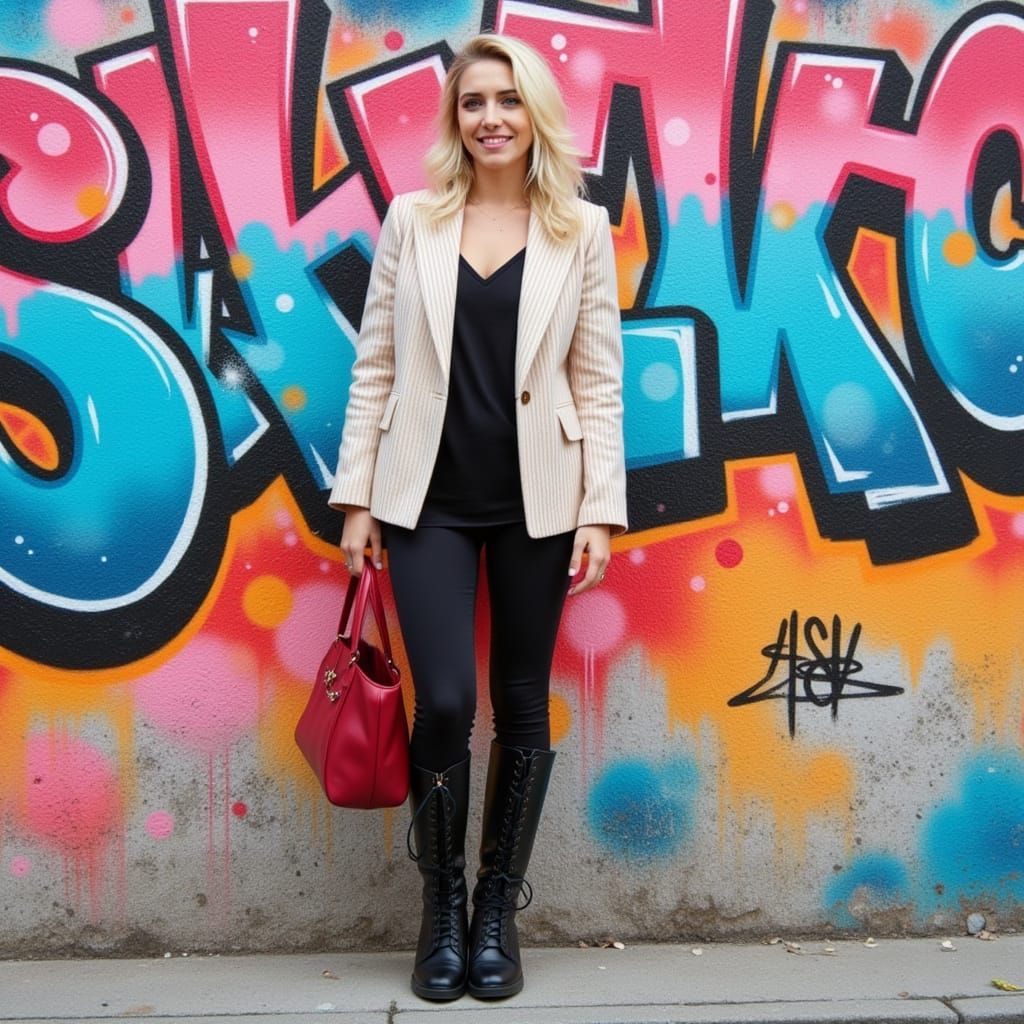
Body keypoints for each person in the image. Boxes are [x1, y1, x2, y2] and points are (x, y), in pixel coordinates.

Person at [329, 32, 626, 1002]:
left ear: (533, 112)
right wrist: (360, 496)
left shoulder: (581, 229)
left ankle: (496, 908)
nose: (489, 116)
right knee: (447, 699)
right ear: (454, 120)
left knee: (524, 698)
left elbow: (599, 379)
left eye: (506, 99)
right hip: (428, 501)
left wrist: (598, 510)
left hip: (541, 498)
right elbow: (375, 364)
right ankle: (440, 904)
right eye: (471, 102)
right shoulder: (412, 221)